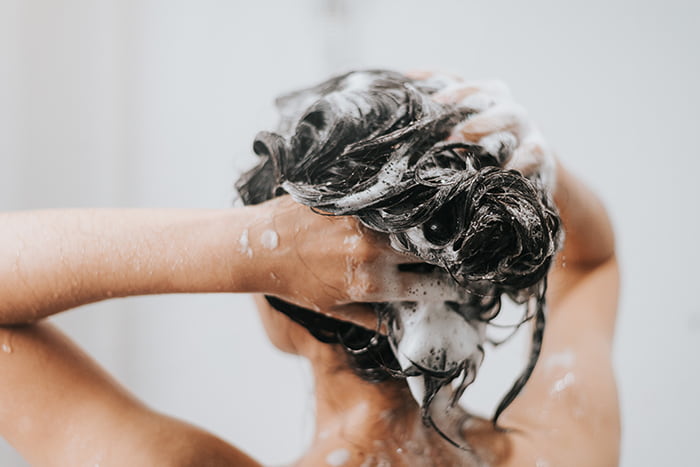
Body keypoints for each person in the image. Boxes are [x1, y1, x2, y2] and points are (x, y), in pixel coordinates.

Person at [0, 72, 620, 466]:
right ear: (479, 278)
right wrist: (525, 157)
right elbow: (592, 261)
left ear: (284, 302)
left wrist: (250, 247)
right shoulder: (567, 446)